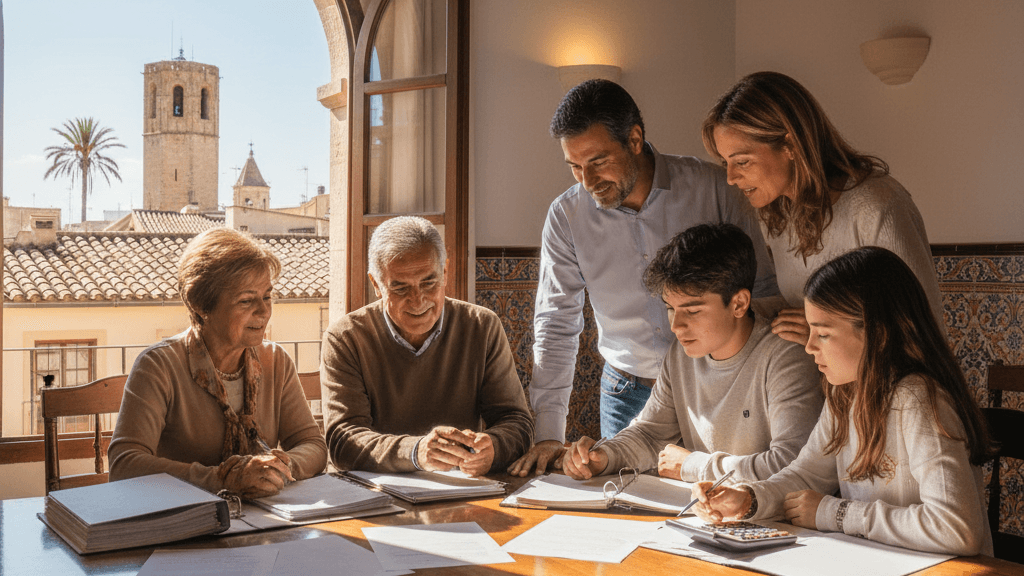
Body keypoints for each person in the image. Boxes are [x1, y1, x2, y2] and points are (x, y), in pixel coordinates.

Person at [510, 79, 779, 476]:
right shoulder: (566, 216)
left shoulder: (714, 189)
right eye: (574, 167)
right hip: (625, 392)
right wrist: (549, 432)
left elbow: (761, 290)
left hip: (716, 387)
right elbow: (556, 324)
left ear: (634, 138)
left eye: (598, 161)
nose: (586, 180)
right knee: (628, 510)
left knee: (720, 498)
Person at [692, 247, 993, 557]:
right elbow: (807, 475)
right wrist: (748, 499)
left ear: (878, 334)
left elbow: (956, 528)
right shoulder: (845, 392)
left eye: (822, 334)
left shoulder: (918, 398)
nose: (808, 347)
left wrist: (834, 514)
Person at [561, 223, 821, 483]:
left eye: (693, 311)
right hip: (707, 513)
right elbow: (651, 434)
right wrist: (604, 456)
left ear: (739, 304)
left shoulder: (786, 355)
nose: (676, 326)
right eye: (670, 308)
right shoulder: (681, 353)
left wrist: (693, 466)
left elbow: (791, 462)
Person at [702, 71, 943, 347]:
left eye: (742, 161)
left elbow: (919, 328)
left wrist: (822, 332)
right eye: (725, 164)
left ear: (790, 145)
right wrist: (734, 312)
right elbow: (801, 303)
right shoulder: (781, 217)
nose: (731, 178)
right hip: (828, 387)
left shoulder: (877, 206)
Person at [109, 228, 327, 498]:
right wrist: (222, 479)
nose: (264, 310)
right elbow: (124, 464)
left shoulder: (275, 361)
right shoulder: (159, 366)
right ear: (200, 304)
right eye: (247, 300)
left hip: (262, 520)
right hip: (187, 520)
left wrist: (279, 467)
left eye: (267, 296)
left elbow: (312, 445)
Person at [321, 216, 534, 476]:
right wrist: (416, 452)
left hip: (462, 491)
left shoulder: (482, 326)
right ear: (376, 284)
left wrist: (495, 448)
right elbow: (343, 443)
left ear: (445, 272)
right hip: (374, 498)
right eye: (399, 287)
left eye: (429, 282)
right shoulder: (345, 338)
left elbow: (517, 422)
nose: (418, 300)